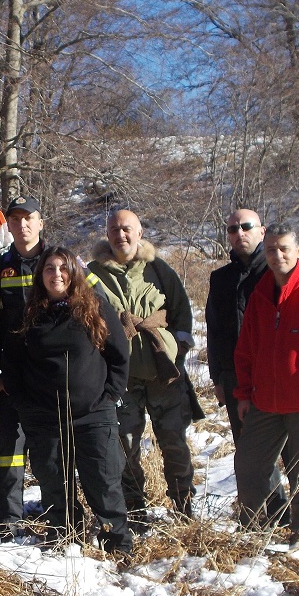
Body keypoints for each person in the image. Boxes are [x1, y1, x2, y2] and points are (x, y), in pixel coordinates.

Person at [2, 247, 133, 552]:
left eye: (63, 268)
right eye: (49, 268)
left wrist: (109, 395)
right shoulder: (29, 312)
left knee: (103, 482)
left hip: (93, 415)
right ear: (40, 275)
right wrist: (24, 405)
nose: (57, 274)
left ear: (74, 273)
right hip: (45, 418)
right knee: (53, 484)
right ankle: (66, 539)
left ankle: (118, 544)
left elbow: (120, 354)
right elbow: (12, 363)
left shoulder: (94, 306)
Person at [88, 209, 201, 525]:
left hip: (164, 372)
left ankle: (184, 507)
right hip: (121, 377)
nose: (120, 235)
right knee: (124, 445)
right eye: (113, 229)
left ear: (139, 232)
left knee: (174, 442)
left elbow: (181, 314)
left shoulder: (158, 269)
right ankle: (135, 512)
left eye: (126, 229)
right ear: (106, 234)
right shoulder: (93, 273)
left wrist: (177, 352)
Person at [234, 224, 299, 535]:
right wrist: (243, 394)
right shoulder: (260, 296)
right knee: (249, 466)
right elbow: (247, 350)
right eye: (271, 249)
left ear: (298, 251)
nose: (277, 255)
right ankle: (254, 531)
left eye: (284, 248)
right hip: (264, 401)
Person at [206, 209, 290, 524]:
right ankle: (271, 516)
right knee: (251, 455)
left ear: (261, 230)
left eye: (245, 227)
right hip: (237, 378)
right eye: (231, 229)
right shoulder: (221, 278)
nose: (238, 233)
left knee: (295, 453)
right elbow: (214, 330)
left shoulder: (278, 270)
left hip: (281, 377)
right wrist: (218, 376)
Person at [0, 194, 47, 533]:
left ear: (40, 223)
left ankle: (59, 510)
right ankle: (9, 516)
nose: (22, 225)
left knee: (51, 445)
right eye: (15, 219)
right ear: (7, 225)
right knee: (10, 446)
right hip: (11, 374)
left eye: (28, 218)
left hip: (50, 374)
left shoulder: (58, 262)